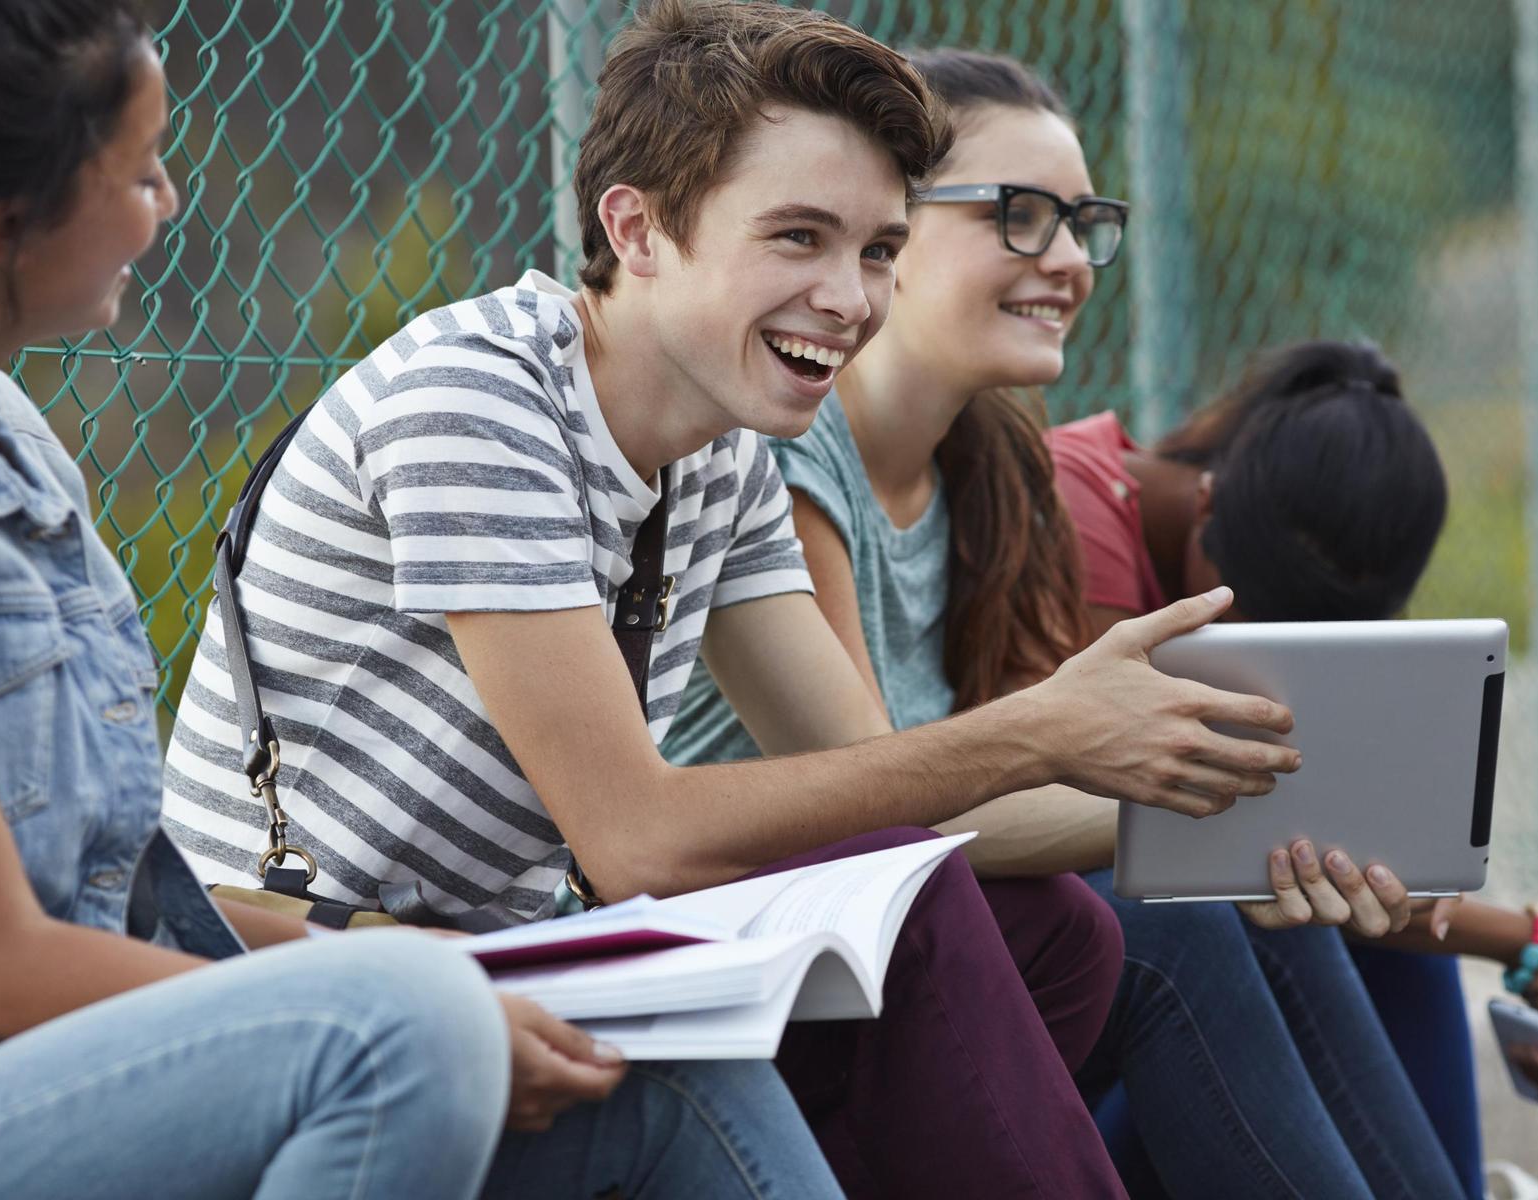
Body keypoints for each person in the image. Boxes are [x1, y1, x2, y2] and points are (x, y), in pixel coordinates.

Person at [159, 2, 1312, 1195]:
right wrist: (1036, 730)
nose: (850, 297)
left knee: (1059, 940)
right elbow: (636, 835)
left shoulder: (717, 455)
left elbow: (877, 797)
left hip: (510, 963)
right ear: (638, 228)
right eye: (798, 237)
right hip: (311, 980)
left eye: (874, 249)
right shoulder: (478, 403)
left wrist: (1227, 811)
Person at [0, 3, 844, 1197]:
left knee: (668, 1066)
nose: (165, 200)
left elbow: (126, 900)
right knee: (415, 1026)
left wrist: (457, 977)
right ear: (7, 224)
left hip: (113, 1043)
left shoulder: (12, 445)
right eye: (139, 171)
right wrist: (405, 995)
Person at [658, 49, 1535, 1200]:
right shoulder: (784, 450)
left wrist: (1250, 823)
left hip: (947, 967)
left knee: (1260, 908)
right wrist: (1197, 812)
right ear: (889, 229)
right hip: (782, 974)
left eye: (1081, 222)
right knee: (1178, 926)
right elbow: (878, 806)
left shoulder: (995, 459)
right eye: (1019, 217)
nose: (1067, 261)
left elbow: (1028, 799)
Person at [1049, 340, 1538, 1196]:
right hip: (1087, 1002)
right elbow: (1187, 850)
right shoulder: (1080, 515)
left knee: (1368, 911)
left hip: (1179, 982)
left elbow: (1309, 847)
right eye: (1249, 617)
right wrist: (1528, 945)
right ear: (1208, 505)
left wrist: (1536, 948)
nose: (1254, 649)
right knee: (1272, 917)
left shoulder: (1259, 522)